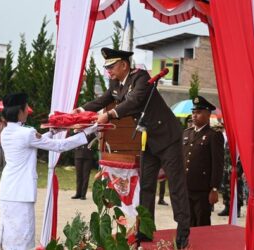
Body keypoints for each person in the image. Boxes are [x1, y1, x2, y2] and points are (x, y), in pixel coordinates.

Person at [72, 48, 190, 248]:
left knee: (176, 186)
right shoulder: (117, 83)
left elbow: (134, 102)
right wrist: (82, 110)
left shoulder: (141, 78)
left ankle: (183, 233)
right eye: (107, 67)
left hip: (167, 137)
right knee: (146, 186)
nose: (108, 71)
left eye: (111, 66)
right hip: (148, 140)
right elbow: (104, 99)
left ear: (124, 65)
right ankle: (145, 230)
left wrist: (109, 115)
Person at [0, 93, 97, 250]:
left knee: (8, 235)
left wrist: (52, 132)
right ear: (20, 112)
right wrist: (87, 132)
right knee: (23, 238)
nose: (27, 112)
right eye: (25, 109)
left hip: (7, 191)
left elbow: (33, 142)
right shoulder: (26, 133)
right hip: (21, 192)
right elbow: (59, 146)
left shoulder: (6, 131)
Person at [182, 96, 224, 227]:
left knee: (202, 224)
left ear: (208, 114)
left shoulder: (214, 135)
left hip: (203, 190)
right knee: (187, 223)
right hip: (186, 187)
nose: (194, 115)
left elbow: (218, 164)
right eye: (193, 112)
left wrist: (214, 188)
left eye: (199, 112)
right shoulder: (186, 133)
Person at [72, 134, 96, 200]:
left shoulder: (91, 132)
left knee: (86, 176)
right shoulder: (77, 131)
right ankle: (78, 193)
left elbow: (95, 137)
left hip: (87, 156)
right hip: (78, 154)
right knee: (78, 175)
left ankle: (83, 195)